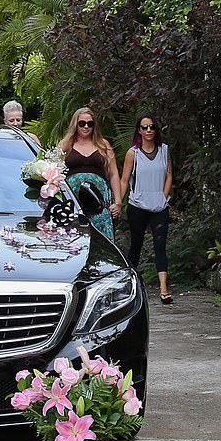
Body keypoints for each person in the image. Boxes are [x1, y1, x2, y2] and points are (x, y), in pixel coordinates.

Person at [119, 114, 174, 304]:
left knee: (160, 245)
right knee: (136, 244)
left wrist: (164, 196)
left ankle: (164, 289)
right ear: (139, 130)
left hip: (159, 205)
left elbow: (169, 174)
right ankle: (129, 286)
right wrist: (118, 201)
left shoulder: (164, 150)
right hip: (138, 205)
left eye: (152, 127)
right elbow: (124, 179)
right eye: (144, 127)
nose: (149, 130)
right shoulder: (133, 153)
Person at [58, 107, 122, 240]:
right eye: (82, 123)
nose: (86, 127)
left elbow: (113, 174)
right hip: (73, 200)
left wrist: (118, 202)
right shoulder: (65, 145)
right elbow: (54, 173)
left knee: (102, 234)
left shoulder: (103, 145)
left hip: (99, 199)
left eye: (90, 124)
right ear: (75, 124)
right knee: (74, 234)